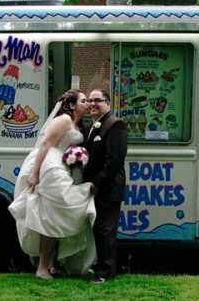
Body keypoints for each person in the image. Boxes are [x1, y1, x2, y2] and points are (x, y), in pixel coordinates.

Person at [8, 89, 96, 280]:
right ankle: (42, 267)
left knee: (57, 214)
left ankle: (54, 264)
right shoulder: (64, 119)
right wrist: (35, 172)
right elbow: (45, 144)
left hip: (63, 167)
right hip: (50, 165)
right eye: (84, 100)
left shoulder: (78, 124)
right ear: (72, 105)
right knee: (51, 215)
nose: (88, 103)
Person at [83, 89, 128, 284]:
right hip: (94, 187)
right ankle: (99, 267)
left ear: (107, 104)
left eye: (97, 101)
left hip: (108, 188)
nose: (92, 104)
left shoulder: (115, 124)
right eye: (90, 100)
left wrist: (97, 183)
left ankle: (105, 273)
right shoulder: (90, 125)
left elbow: (115, 160)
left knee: (105, 230)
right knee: (98, 229)